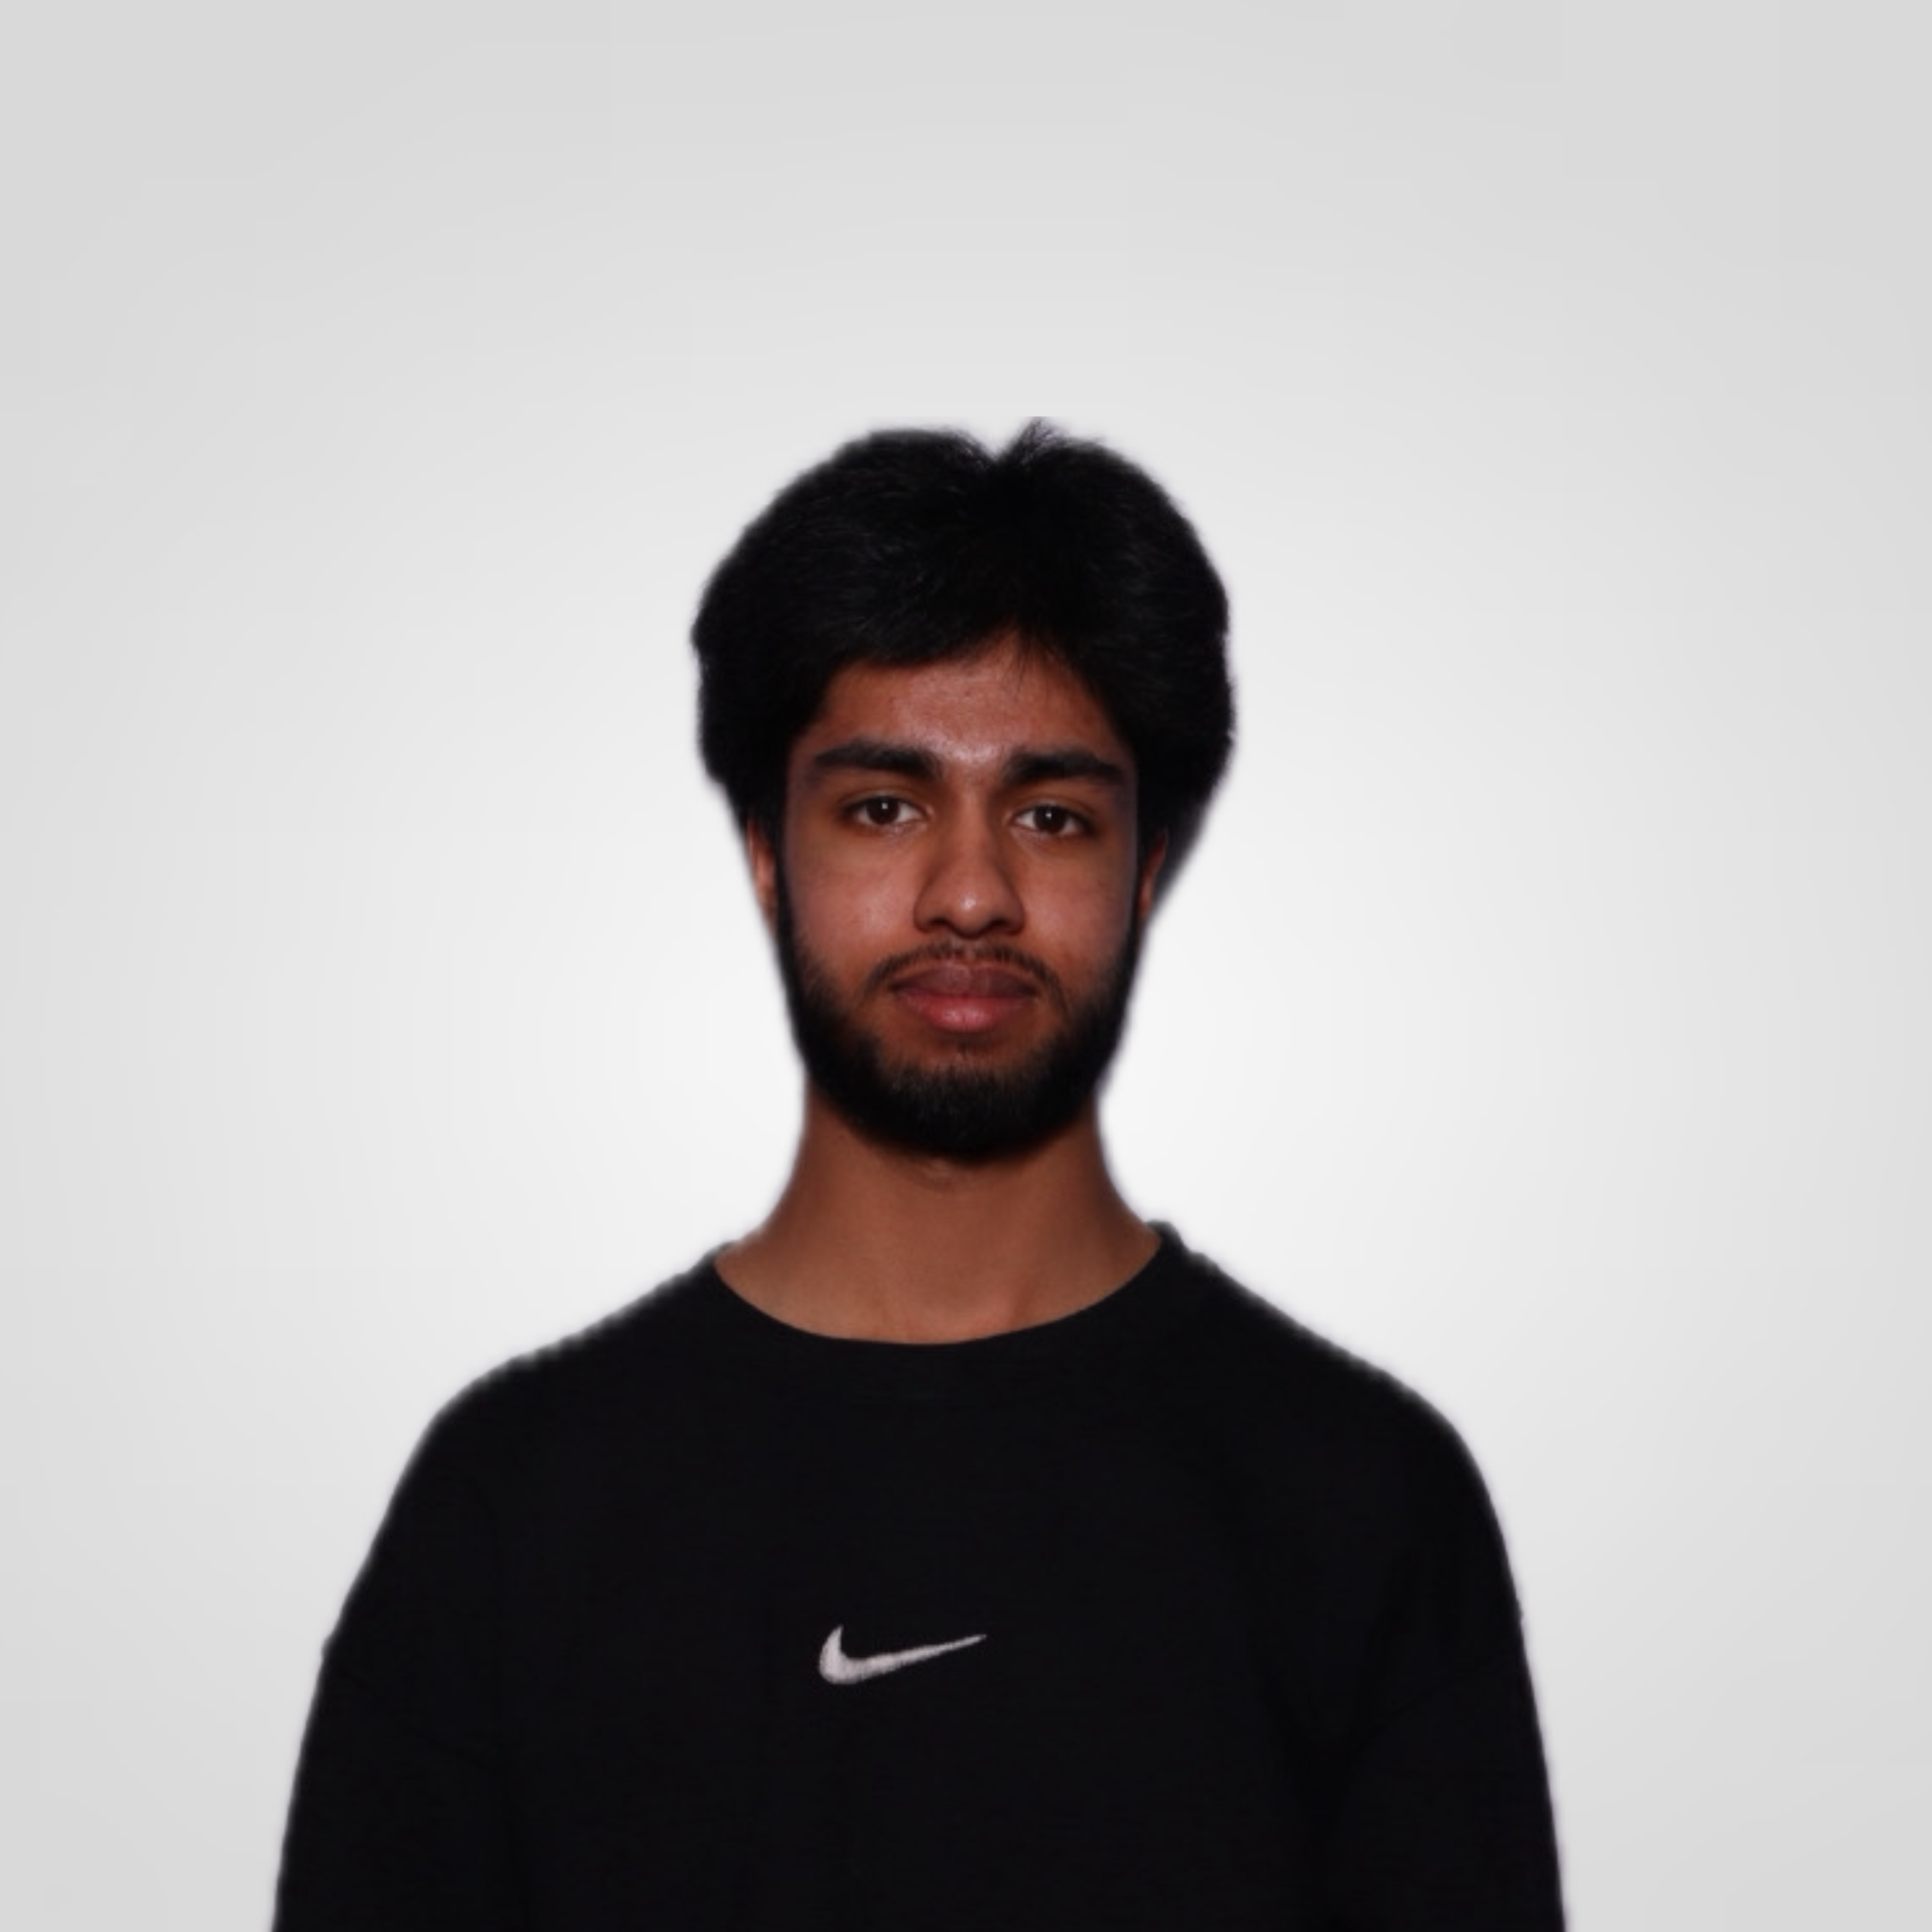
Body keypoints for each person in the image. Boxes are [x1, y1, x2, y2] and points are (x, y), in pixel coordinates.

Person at [273, 423, 1566, 1929]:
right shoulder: (514, 1503)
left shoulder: (1357, 1494)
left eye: (1050, 813)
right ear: (766, 851)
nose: (969, 891)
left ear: (1147, 866)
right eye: (882, 805)